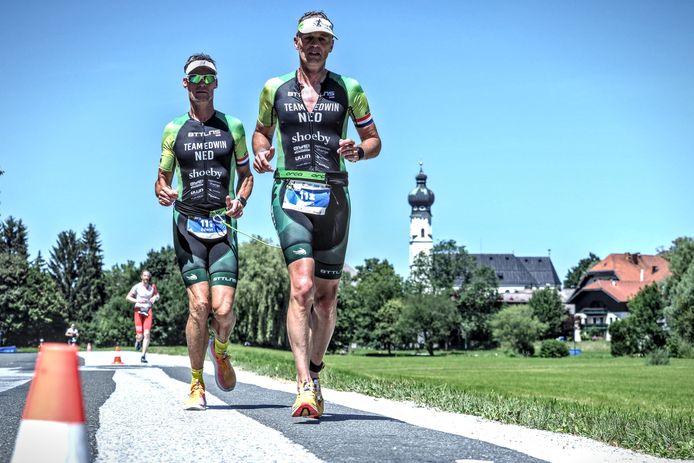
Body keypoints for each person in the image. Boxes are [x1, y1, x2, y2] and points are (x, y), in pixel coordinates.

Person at [252, 11, 381, 418]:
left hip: (334, 195)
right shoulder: (274, 88)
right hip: (289, 190)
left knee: (326, 301)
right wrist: (260, 152)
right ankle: (303, 383)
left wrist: (357, 151)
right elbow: (261, 131)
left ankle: (317, 370)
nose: (314, 45)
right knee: (302, 287)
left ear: (331, 45)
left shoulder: (349, 89)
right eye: (308, 38)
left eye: (322, 39)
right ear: (296, 42)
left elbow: (374, 139)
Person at [155, 53, 253, 411]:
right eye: (194, 79)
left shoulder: (234, 127)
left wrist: (240, 200)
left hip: (223, 227)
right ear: (185, 84)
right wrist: (162, 190)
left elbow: (246, 177)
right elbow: (162, 180)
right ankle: (196, 384)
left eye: (207, 78)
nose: (201, 85)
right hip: (188, 227)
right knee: (199, 304)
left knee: (223, 310)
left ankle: (221, 350)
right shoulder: (173, 129)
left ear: (216, 83)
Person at [126, 270, 159, 363]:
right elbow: (127, 297)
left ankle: (143, 355)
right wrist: (137, 301)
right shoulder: (136, 287)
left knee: (147, 334)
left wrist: (154, 297)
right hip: (138, 311)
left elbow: (157, 295)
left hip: (148, 311)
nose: (146, 278)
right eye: (145, 276)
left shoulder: (152, 287)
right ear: (141, 277)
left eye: (148, 276)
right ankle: (138, 341)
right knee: (140, 335)